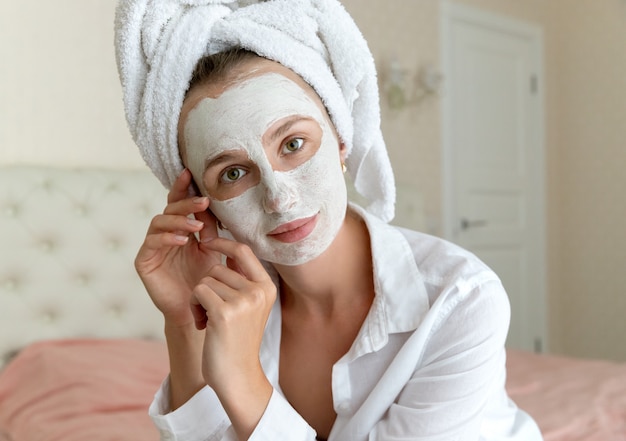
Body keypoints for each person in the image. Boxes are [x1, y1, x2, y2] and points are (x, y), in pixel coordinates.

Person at [114, 1, 543, 440]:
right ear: (204, 203)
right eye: (233, 173)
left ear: (340, 138)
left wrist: (244, 381)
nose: (279, 198)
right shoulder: (232, 308)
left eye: (294, 143)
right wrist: (185, 323)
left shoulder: (461, 299)